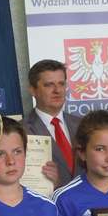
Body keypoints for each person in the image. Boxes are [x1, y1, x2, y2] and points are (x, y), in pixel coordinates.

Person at [23, 59, 82, 189]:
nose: (57, 90)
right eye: (49, 85)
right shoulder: (20, 130)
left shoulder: (83, 125)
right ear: (33, 90)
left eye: (61, 84)